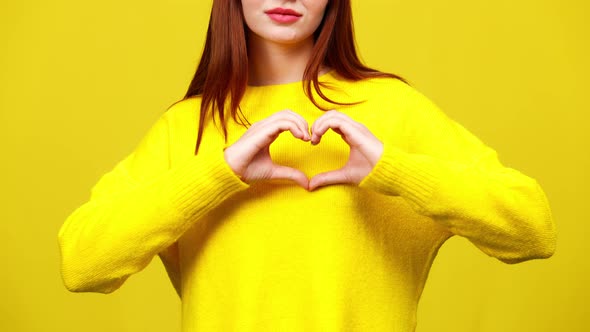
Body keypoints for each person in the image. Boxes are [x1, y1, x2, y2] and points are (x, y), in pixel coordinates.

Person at [58, 0, 557, 331]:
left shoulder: (392, 110)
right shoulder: (187, 126)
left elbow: (533, 230)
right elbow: (82, 264)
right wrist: (219, 174)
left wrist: (393, 170)